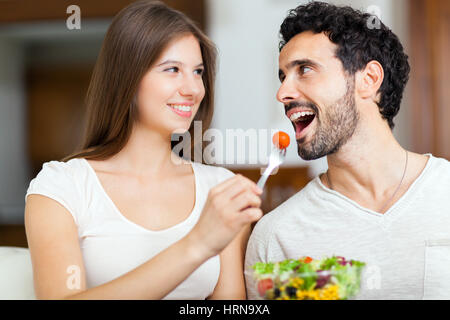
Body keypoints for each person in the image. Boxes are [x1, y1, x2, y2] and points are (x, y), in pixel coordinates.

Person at [25, 0, 263, 300]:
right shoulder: (61, 187)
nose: (193, 89)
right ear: (127, 78)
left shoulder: (220, 189)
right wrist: (198, 243)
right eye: (172, 69)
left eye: (198, 71)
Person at [245, 1, 450, 300]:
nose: (282, 94)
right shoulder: (276, 236)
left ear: (368, 80)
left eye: (304, 69)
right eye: (282, 76)